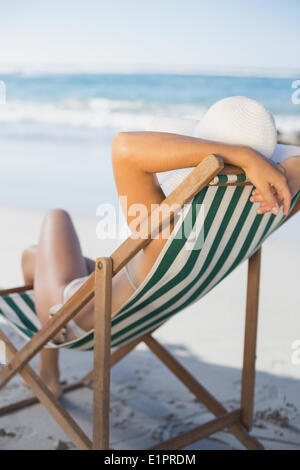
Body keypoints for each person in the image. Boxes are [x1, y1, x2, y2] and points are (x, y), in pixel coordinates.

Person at [21, 100, 300, 398]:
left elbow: (124, 147)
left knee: (54, 219)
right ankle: (47, 372)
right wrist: (268, 163)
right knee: (33, 255)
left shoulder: (168, 227)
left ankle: (47, 372)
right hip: (142, 309)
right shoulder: (269, 207)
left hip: (74, 319)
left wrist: (240, 154)